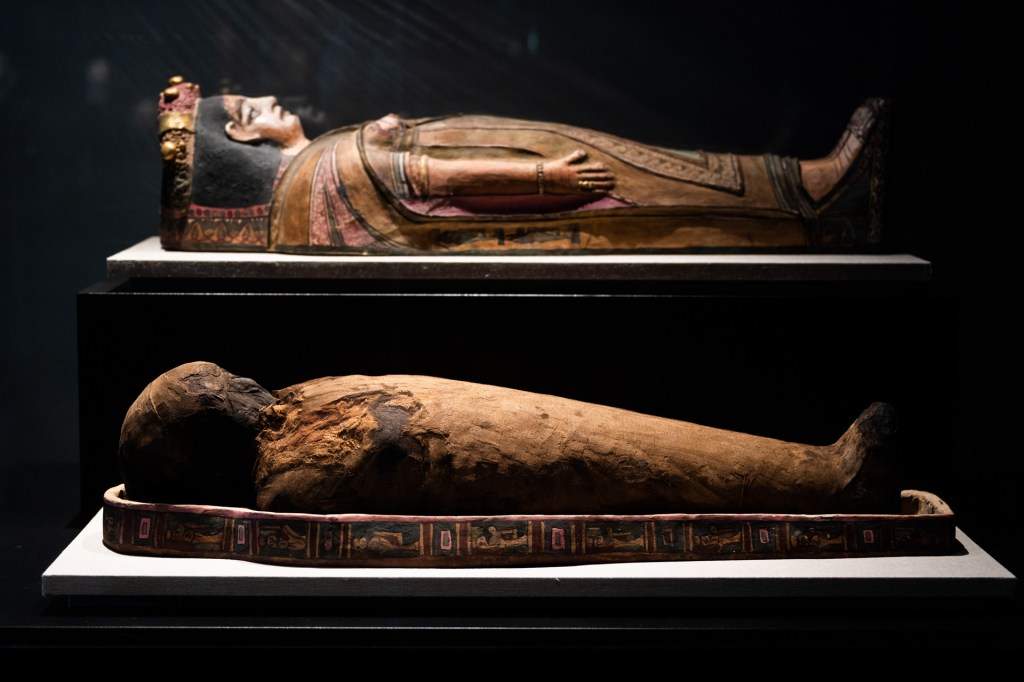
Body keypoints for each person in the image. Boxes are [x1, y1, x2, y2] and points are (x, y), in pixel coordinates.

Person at [156, 77, 887, 253]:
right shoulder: (324, 166)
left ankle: (808, 192)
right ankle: (814, 196)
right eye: (252, 108)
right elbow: (440, 181)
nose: (270, 99)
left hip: (519, 156)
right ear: (243, 138)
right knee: (668, 180)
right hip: (534, 177)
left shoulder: (312, 167)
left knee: (666, 172)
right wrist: (550, 180)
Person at [117, 362, 900, 517]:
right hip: (492, 455)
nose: (237, 384)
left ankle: (819, 469)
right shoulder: (286, 482)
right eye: (214, 392)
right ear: (200, 437)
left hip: (492, 418)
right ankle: (828, 481)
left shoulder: (292, 408)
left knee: (640, 439)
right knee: (645, 459)